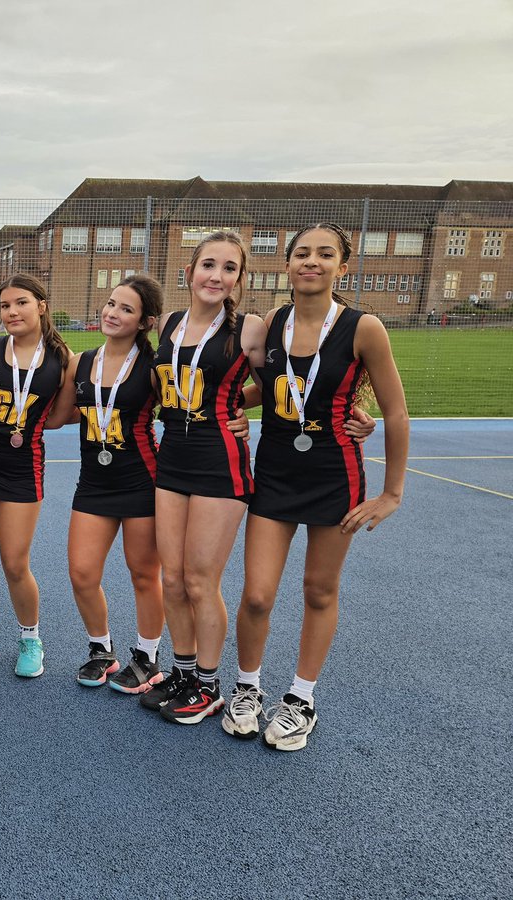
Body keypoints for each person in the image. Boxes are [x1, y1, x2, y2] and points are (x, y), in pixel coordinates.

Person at [223, 223, 408, 751]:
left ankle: (301, 699)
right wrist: (237, 407)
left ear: (342, 267)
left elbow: (394, 411)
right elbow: (274, 387)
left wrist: (391, 493)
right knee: (257, 595)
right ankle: (248, 688)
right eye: (302, 253)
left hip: (335, 474)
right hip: (276, 471)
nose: (312, 261)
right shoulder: (273, 323)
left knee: (318, 590)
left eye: (325, 254)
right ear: (286, 264)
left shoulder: (363, 327)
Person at [143, 231, 266, 725]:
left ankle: (211, 685)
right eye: (208, 265)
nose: (217, 275)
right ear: (189, 272)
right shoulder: (171, 323)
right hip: (172, 456)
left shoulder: (251, 328)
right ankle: (186, 672)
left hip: (220, 461)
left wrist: (243, 407)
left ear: (239, 278)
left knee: (199, 579)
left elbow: (286, 381)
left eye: (229, 268)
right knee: (171, 579)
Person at [47, 276, 169, 691]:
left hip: (142, 482)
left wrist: (237, 416)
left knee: (143, 575)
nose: (112, 313)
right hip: (94, 483)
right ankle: (101, 650)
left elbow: (199, 404)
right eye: (111, 304)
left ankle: (148, 658)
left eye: (126, 309)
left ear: (145, 322)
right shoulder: (82, 363)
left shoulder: (153, 367)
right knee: (82, 573)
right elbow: (56, 417)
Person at [0, 273, 68, 678]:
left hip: (23, 467)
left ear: (41, 305)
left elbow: (59, 416)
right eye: (5, 306)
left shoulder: (62, 359)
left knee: (16, 561)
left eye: (21, 303)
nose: (12, 312)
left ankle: (30, 638)